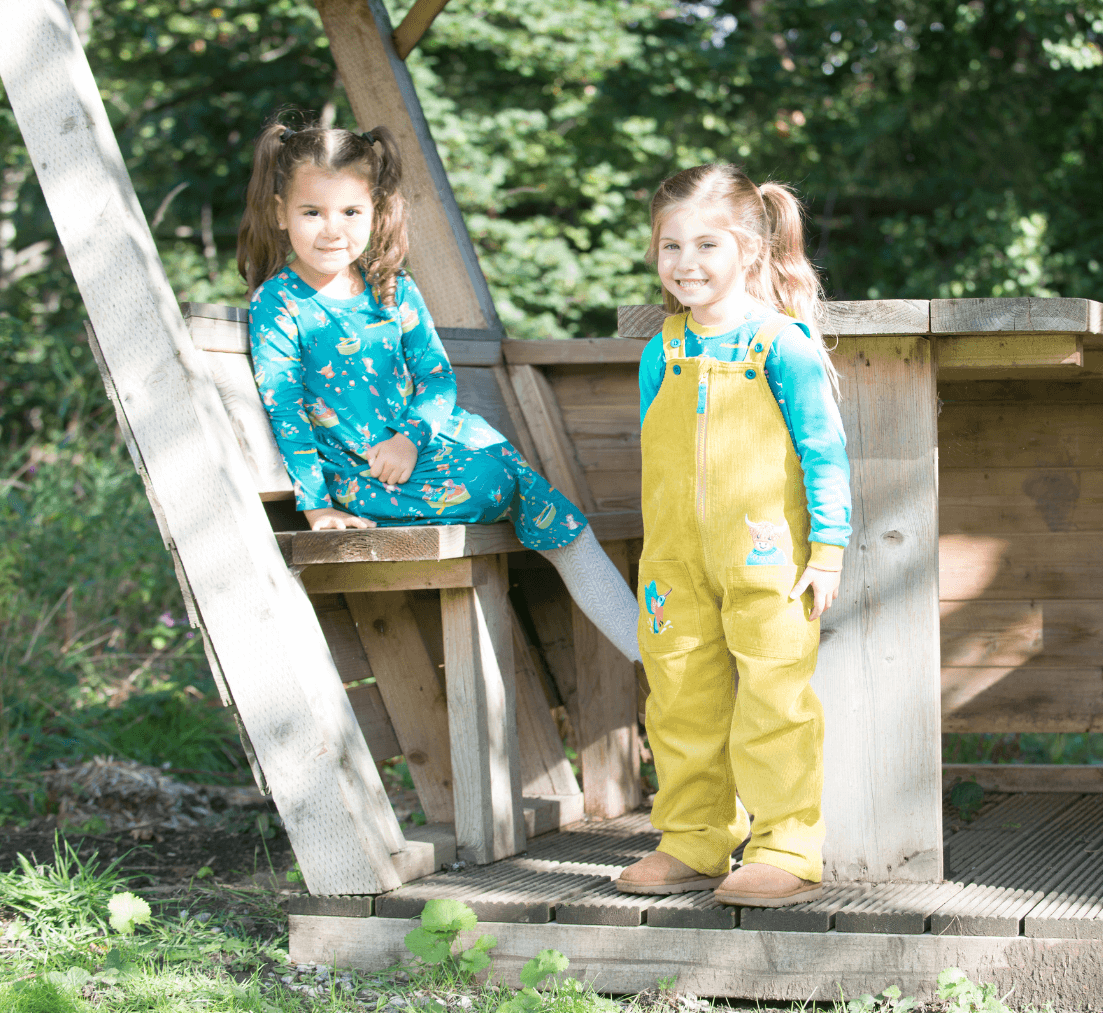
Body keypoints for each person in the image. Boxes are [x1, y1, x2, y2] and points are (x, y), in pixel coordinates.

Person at [235, 120, 638, 663]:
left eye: (351, 212)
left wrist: (410, 437)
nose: (333, 230)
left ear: (375, 211)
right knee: (499, 481)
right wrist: (316, 509)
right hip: (363, 474)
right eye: (313, 212)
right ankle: (651, 654)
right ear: (281, 213)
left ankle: (651, 656)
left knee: (542, 505)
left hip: (420, 448)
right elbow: (284, 408)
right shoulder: (279, 303)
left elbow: (436, 377)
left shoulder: (391, 287)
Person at [612, 165, 850, 908]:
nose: (685, 263)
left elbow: (825, 450)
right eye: (670, 246)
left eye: (706, 244)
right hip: (673, 565)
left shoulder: (782, 344)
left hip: (770, 563)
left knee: (774, 699)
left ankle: (786, 845)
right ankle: (693, 837)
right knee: (679, 697)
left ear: (748, 249)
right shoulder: (665, 346)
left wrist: (829, 549)